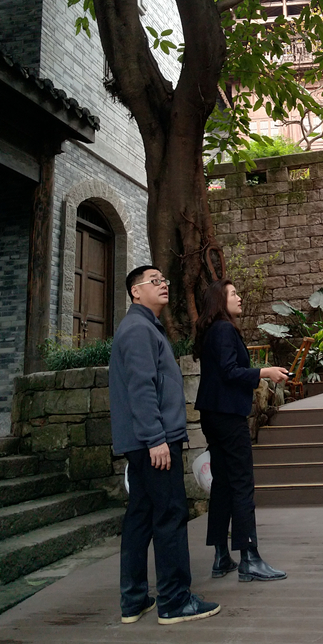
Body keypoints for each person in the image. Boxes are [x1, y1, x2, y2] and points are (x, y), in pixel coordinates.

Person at [109, 264, 220, 625]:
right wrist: (156, 438)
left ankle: (133, 601)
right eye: (153, 281)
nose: (163, 285)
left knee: (140, 516)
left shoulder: (143, 327)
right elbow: (141, 388)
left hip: (144, 441)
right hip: (154, 442)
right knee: (170, 514)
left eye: (164, 280)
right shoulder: (139, 330)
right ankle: (174, 601)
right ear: (135, 291)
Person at [194, 280, 289, 581]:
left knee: (223, 483)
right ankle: (250, 557)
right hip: (227, 416)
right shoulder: (224, 329)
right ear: (219, 300)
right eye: (233, 293)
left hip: (212, 415)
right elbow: (229, 371)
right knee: (241, 482)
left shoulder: (211, 330)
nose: (239, 297)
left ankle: (221, 556)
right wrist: (264, 372)